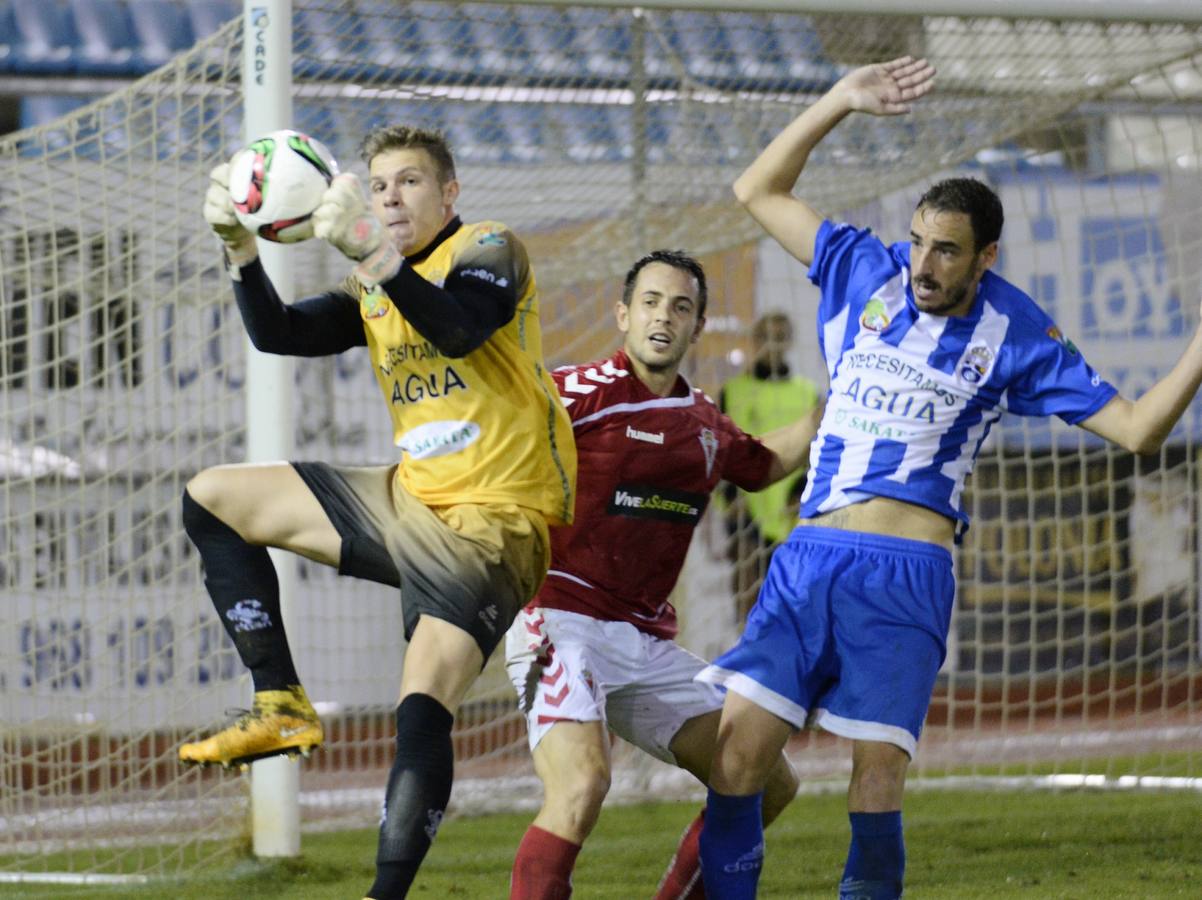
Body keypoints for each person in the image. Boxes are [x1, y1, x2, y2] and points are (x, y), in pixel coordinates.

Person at [696, 56, 1202, 900]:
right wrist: (839, 101)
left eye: (947, 253)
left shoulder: (1017, 333)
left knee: (876, 781)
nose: (925, 265)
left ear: (984, 257)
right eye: (921, 243)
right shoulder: (865, 268)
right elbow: (757, 188)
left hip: (907, 576)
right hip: (810, 556)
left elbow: (1142, 430)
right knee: (738, 754)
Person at [179, 124, 576, 900]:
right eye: (381, 185)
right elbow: (279, 333)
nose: (392, 197)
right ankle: (281, 704)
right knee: (213, 498)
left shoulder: (491, 247)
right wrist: (240, 250)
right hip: (407, 497)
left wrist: (372, 251)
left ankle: (384, 895)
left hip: (495, 519)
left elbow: (458, 329)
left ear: (450, 193)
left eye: (411, 183)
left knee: (421, 704)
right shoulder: (375, 280)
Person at [505, 250, 821, 900]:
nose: (663, 317)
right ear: (623, 314)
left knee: (765, 781)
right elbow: (495, 443)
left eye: (680, 306)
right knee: (583, 783)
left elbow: (760, 466)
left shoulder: (703, 423)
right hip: (559, 623)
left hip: (643, 643)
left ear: (698, 325)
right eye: (650, 302)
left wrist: (829, 416)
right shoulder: (572, 395)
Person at [720, 312, 822, 624]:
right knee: (749, 592)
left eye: (780, 337)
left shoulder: (808, 393)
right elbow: (721, 448)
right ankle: (746, 656)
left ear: (789, 342)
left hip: (794, 511)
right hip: (747, 510)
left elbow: (817, 449)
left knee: (797, 597)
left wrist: (802, 492)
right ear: (756, 341)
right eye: (766, 337)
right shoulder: (733, 391)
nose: (773, 345)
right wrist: (730, 500)